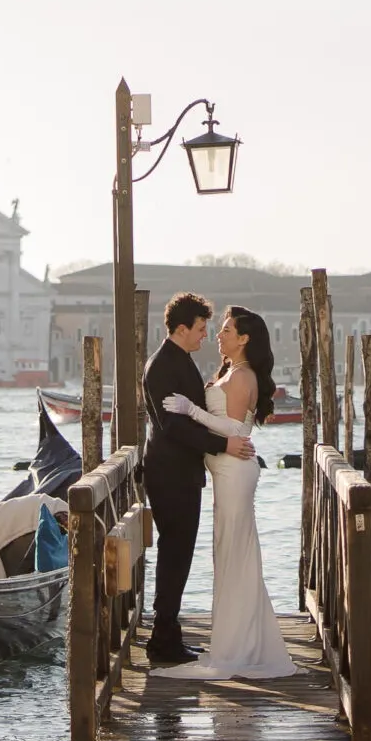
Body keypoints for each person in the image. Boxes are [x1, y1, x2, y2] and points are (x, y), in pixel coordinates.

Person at [151, 305, 293, 681]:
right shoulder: (225, 371)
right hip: (218, 470)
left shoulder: (242, 375)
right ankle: (230, 639)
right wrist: (192, 413)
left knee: (234, 552)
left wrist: (191, 411)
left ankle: (239, 645)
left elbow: (232, 427)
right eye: (209, 328)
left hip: (233, 471)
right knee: (226, 552)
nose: (216, 334)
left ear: (244, 339)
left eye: (225, 329)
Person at [141, 292, 253, 664]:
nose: (205, 336)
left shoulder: (180, 362)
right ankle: (163, 639)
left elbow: (191, 417)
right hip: (169, 473)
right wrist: (223, 444)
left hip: (181, 473)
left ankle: (167, 634)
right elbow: (172, 427)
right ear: (182, 328)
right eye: (202, 329)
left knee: (180, 553)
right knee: (175, 553)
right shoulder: (161, 367)